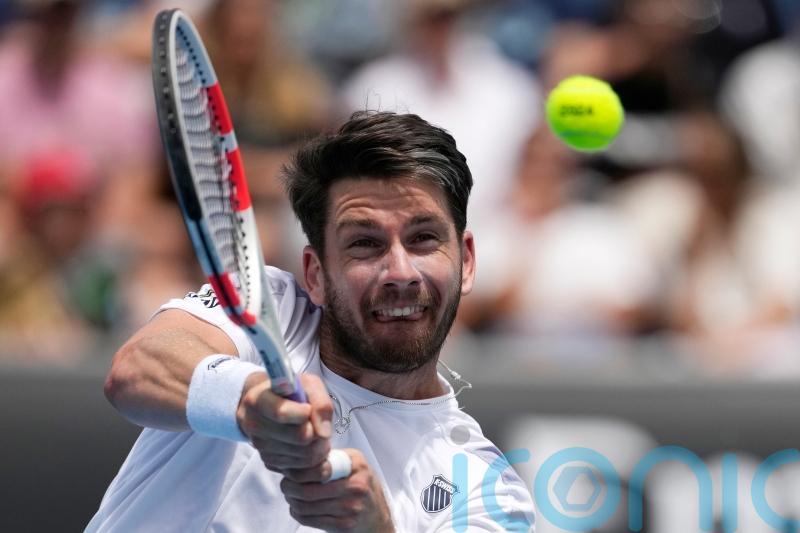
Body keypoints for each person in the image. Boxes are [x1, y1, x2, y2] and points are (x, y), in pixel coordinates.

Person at [87, 112, 536, 532]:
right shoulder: (266, 304)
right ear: (316, 274)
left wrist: (376, 528)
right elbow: (136, 370)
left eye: (423, 238)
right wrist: (249, 400)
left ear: (466, 261)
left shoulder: (486, 489)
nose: (400, 272)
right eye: (365, 243)